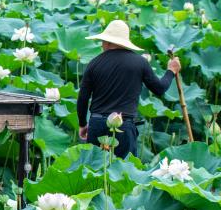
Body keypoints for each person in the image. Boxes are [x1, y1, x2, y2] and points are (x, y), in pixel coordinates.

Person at [77, 19, 182, 158]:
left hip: (97, 125)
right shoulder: (140, 63)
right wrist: (171, 71)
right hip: (123, 127)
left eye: (103, 41)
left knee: (95, 172)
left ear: (108, 42)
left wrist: (83, 124)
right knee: (123, 173)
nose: (102, 45)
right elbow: (160, 89)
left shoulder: (94, 63)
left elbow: (83, 99)